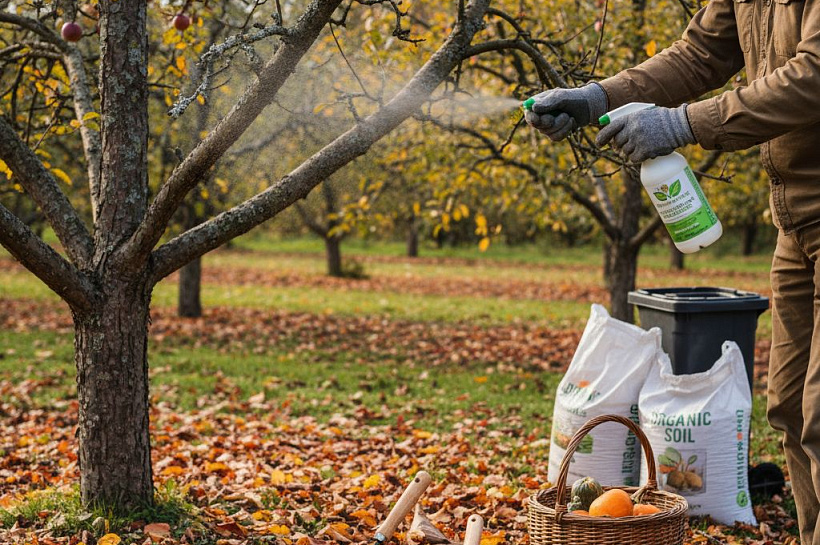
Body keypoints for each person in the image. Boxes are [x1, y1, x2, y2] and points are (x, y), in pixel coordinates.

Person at [524, 1, 820, 542]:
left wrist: (683, 123)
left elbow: (814, 75)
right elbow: (700, 54)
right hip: (797, 219)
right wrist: (597, 98)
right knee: (792, 409)